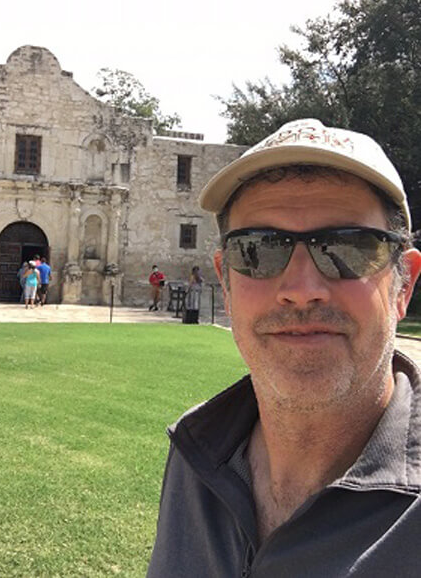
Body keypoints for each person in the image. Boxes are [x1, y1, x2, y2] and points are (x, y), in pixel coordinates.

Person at [147, 118, 421, 577]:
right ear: (226, 281)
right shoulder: (195, 456)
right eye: (258, 249)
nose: (300, 288)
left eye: (347, 248)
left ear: (403, 284)